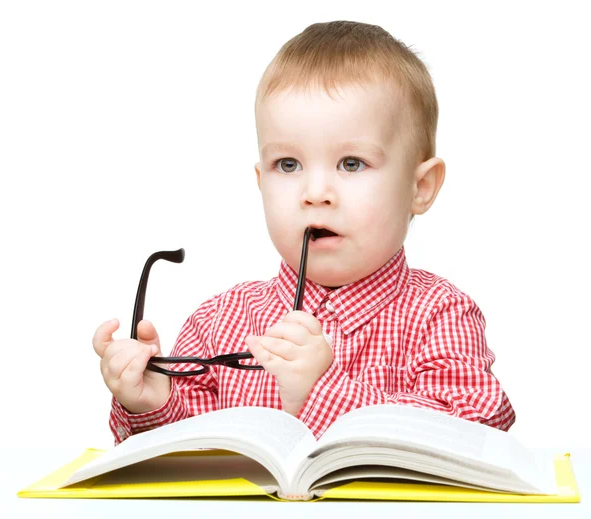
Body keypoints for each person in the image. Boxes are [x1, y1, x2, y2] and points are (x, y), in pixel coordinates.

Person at [93, 20, 516, 445]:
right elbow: (189, 456)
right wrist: (150, 401)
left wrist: (323, 391)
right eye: (288, 165)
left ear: (420, 188)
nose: (315, 193)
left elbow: (477, 429)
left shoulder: (440, 314)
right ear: (261, 182)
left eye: (351, 163)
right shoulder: (218, 321)